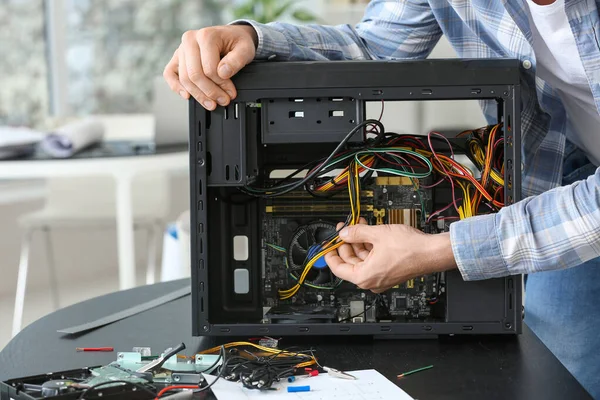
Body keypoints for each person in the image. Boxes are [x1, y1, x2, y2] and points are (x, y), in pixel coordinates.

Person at [163, 0, 600, 395]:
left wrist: (444, 248)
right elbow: (372, 46)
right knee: (556, 373)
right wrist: (254, 39)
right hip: (569, 175)